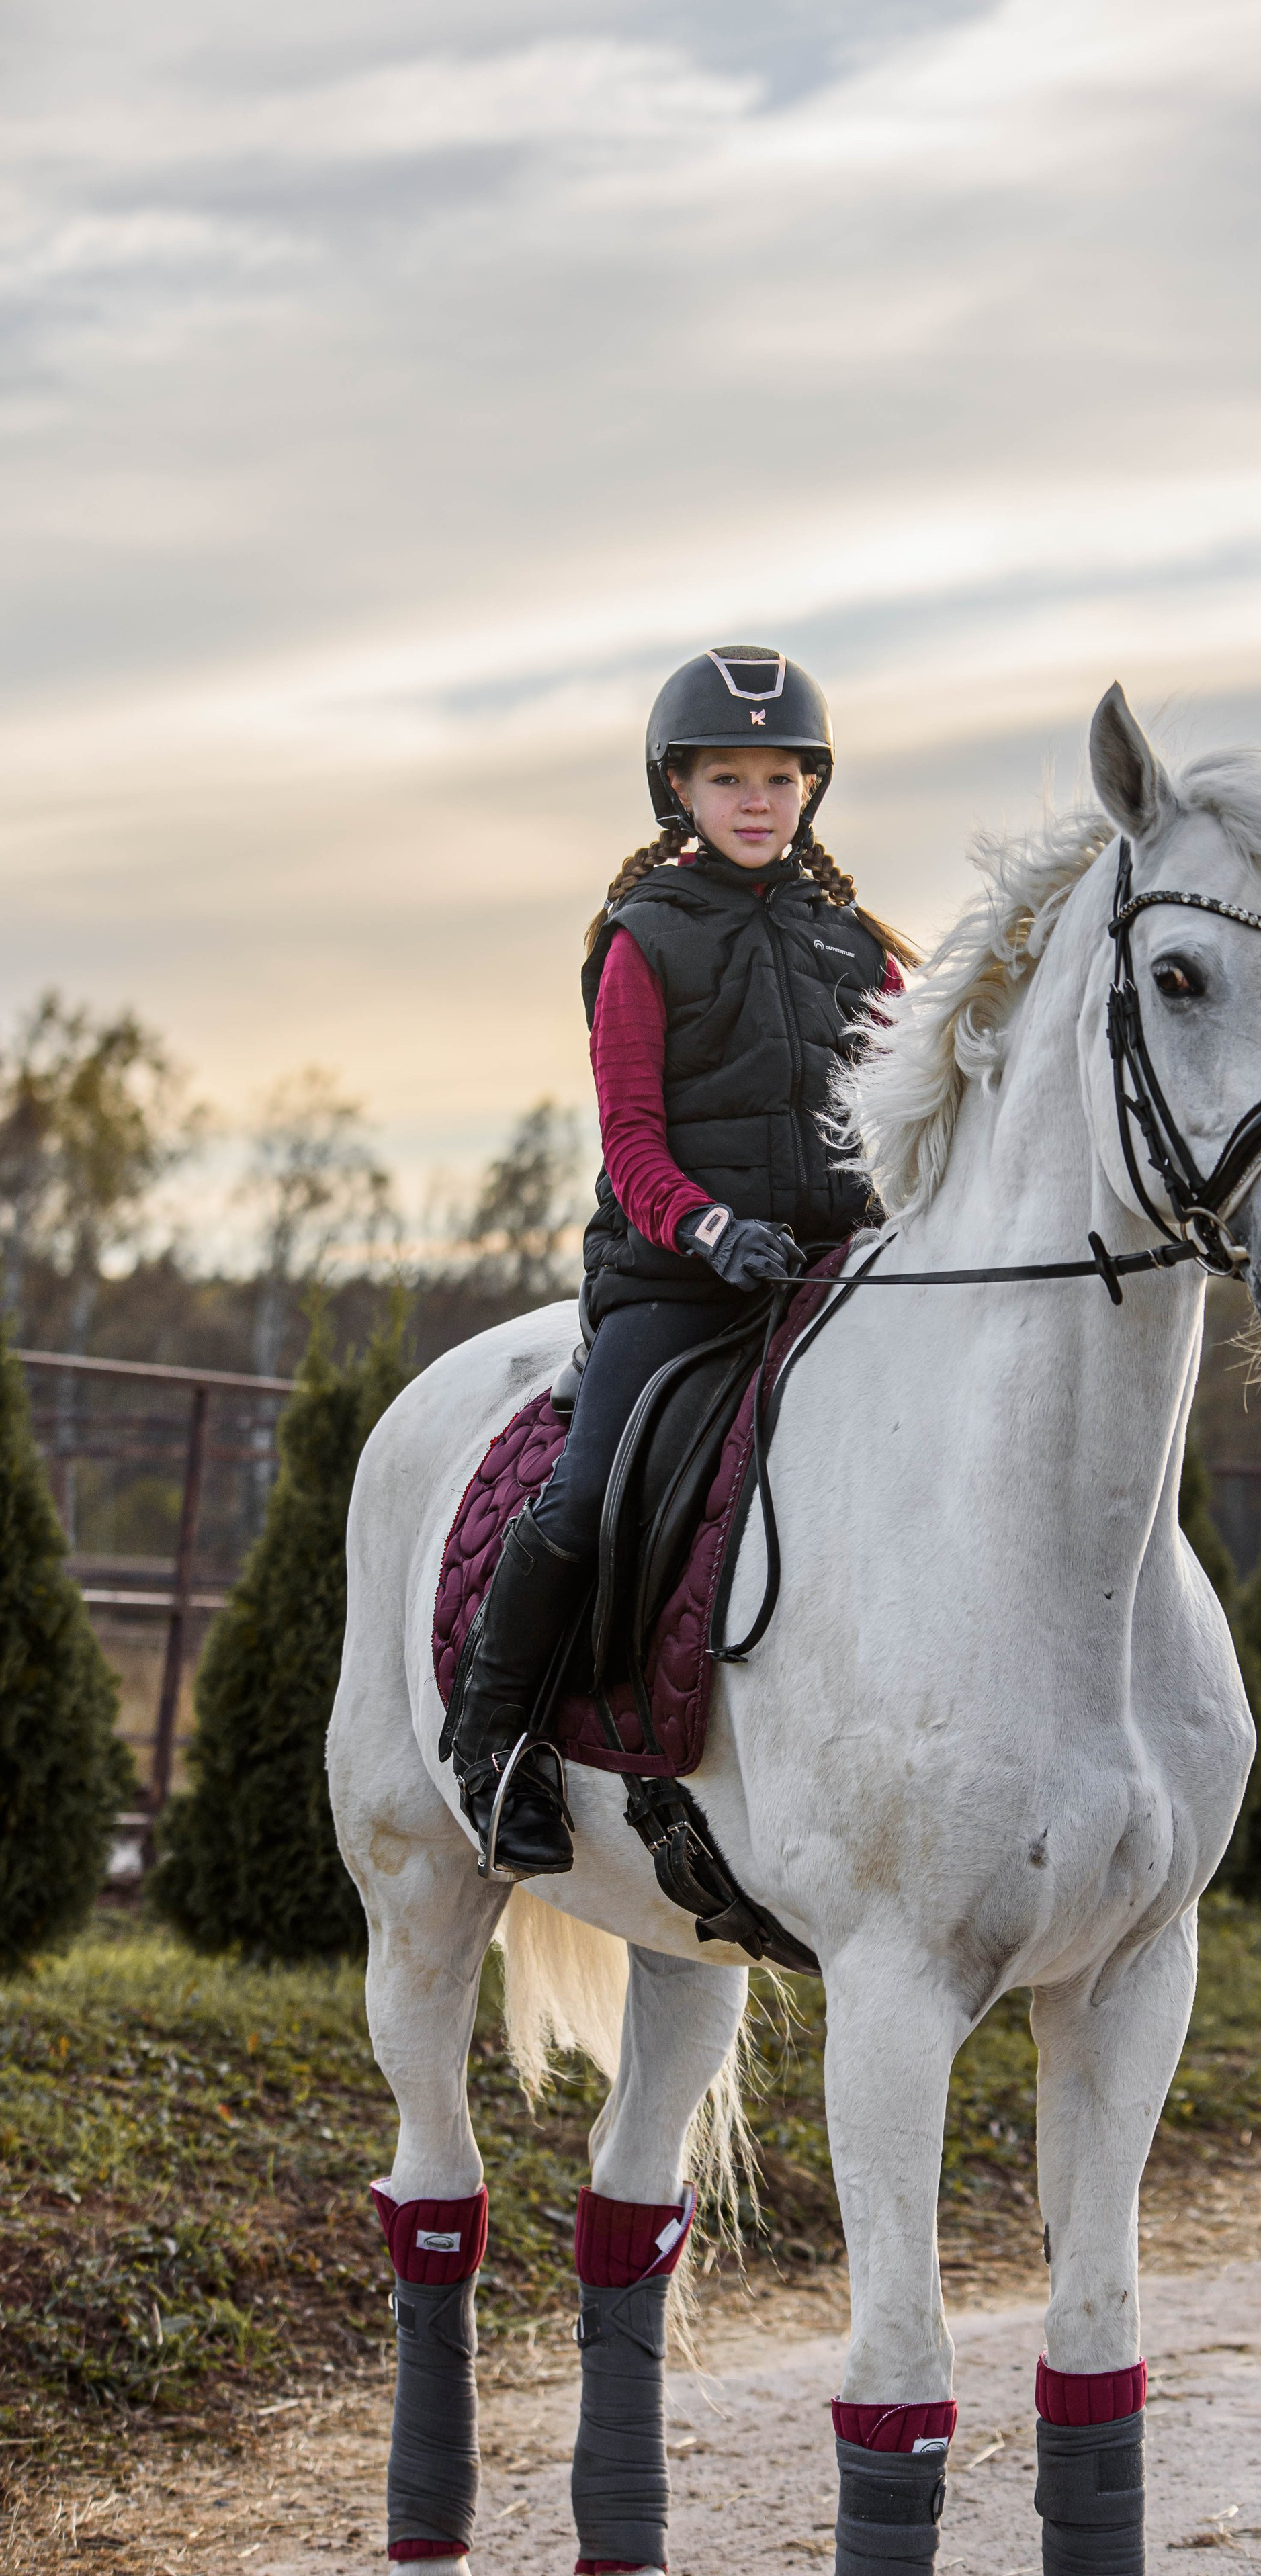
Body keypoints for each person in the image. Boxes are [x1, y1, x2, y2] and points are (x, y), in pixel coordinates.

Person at [447, 645, 918, 1878]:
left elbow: (917, 1113)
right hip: (674, 1281)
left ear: (810, 788)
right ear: (682, 793)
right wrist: (710, 1229)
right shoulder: (640, 942)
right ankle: (494, 1743)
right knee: (593, 1488)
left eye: (777, 776)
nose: (755, 800)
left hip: (833, 1278)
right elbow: (633, 1142)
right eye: (727, 778)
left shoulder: (865, 952)